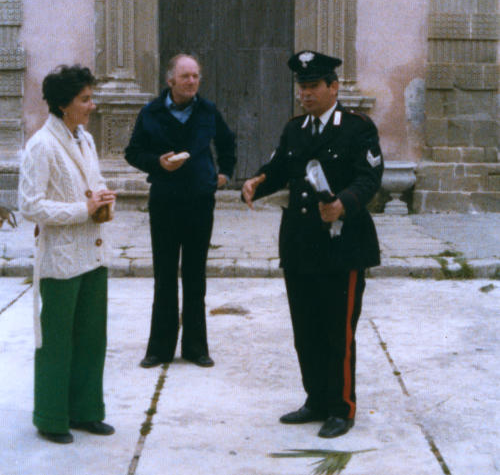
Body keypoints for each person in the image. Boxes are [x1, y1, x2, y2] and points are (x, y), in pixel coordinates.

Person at [242, 50, 383, 438]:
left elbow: (369, 178)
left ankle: (341, 407)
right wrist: (256, 182)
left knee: (338, 331)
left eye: (313, 86)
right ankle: (316, 400)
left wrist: (343, 204)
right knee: (306, 330)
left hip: (342, 247)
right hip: (300, 244)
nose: (304, 93)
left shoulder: (356, 128)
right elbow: (278, 169)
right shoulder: (295, 129)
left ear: (333, 87)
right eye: (301, 87)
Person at [18, 65, 117, 444]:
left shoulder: (85, 139)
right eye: (85, 99)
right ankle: (51, 417)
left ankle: (86, 411)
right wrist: (82, 209)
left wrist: (103, 197)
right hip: (60, 259)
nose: (92, 105)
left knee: (92, 338)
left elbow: (94, 182)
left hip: (93, 253)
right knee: (57, 341)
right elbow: (30, 205)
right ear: (63, 104)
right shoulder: (41, 145)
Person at [125, 54, 236, 369]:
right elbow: (133, 152)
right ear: (170, 80)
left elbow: (227, 143)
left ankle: (196, 347)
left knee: (195, 274)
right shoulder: (151, 112)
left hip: (199, 200)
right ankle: (159, 349)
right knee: (164, 274)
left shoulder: (208, 111)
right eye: (185, 76)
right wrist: (157, 163)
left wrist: (224, 173)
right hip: (165, 201)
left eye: (196, 76)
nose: (192, 81)